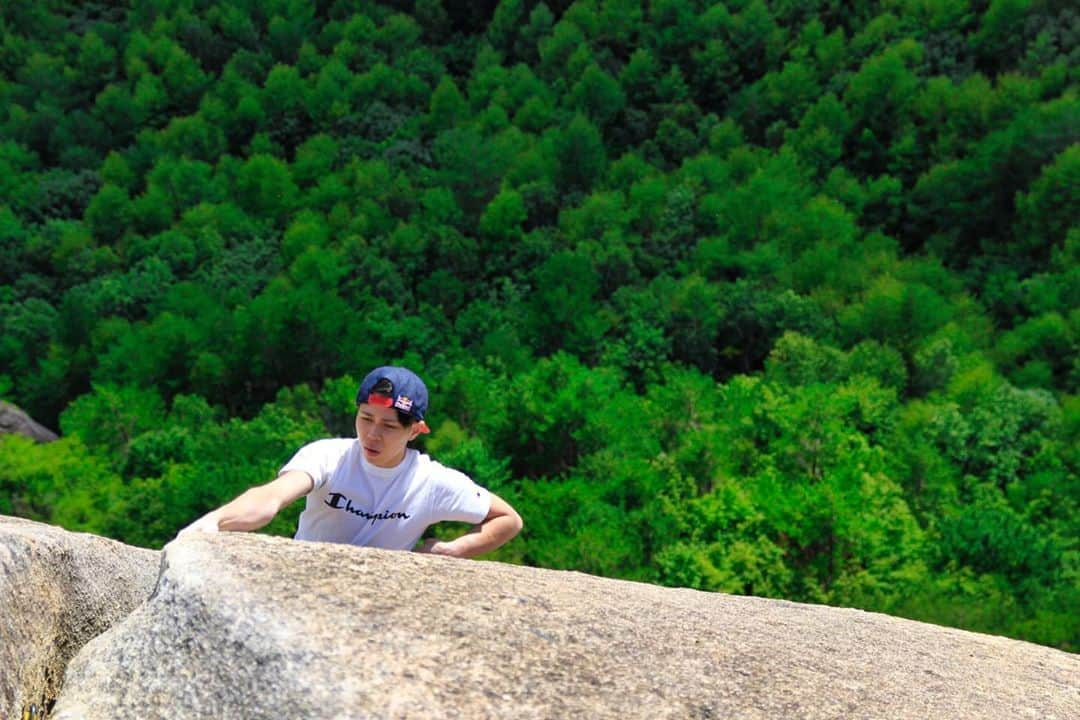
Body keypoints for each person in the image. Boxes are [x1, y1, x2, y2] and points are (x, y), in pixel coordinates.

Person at [177, 366, 522, 558]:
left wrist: (451, 549)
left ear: (416, 430)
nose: (372, 434)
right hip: (299, 578)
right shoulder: (329, 455)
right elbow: (271, 496)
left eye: (388, 425)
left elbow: (509, 519)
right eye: (365, 418)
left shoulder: (431, 482)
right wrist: (215, 521)